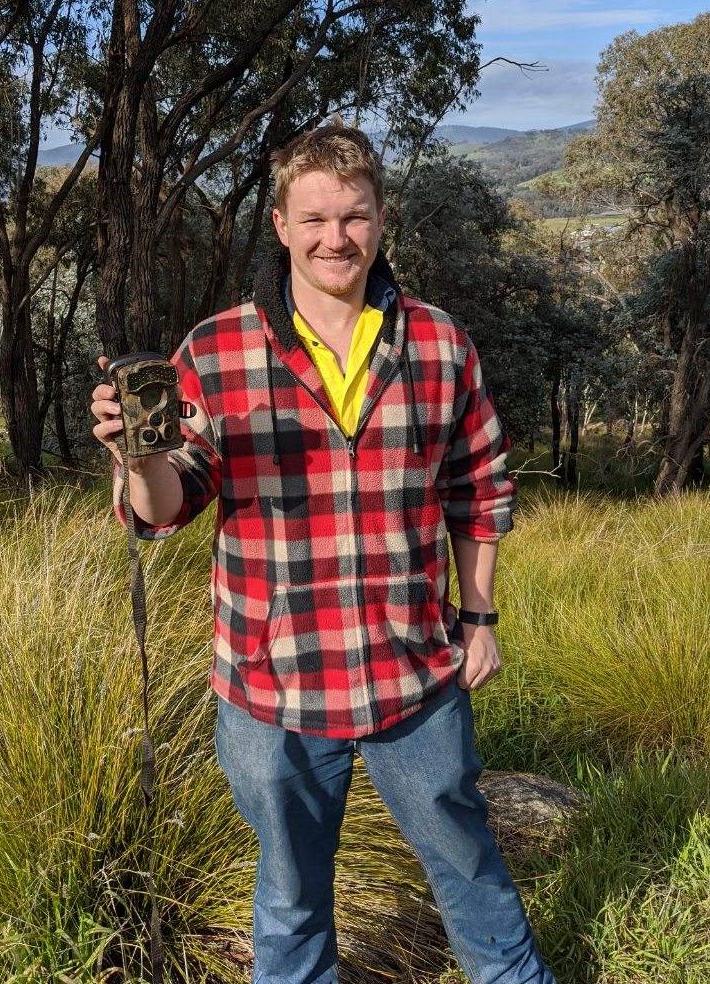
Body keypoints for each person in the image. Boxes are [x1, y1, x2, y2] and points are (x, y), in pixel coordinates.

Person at [91, 121, 557, 984]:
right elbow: (166, 509)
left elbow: (480, 485)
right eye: (313, 219)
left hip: (412, 672)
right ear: (279, 226)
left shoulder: (440, 343)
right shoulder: (215, 349)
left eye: (353, 216)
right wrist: (139, 457)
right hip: (271, 681)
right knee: (290, 900)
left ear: (382, 220)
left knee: (469, 871)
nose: (334, 238)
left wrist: (480, 616)